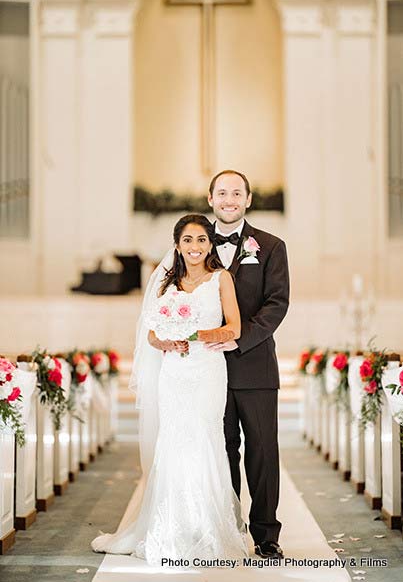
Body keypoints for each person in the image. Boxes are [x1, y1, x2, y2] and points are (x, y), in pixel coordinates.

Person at [91, 214, 248, 564]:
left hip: (207, 370)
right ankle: (172, 526)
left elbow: (234, 327)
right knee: (174, 441)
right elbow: (150, 333)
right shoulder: (165, 284)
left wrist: (199, 335)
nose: (195, 247)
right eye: (188, 240)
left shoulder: (221, 279)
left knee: (206, 439)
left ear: (210, 244)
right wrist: (167, 342)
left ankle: (207, 528)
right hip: (174, 373)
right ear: (177, 245)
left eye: (202, 240)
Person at [206, 169, 290, 560]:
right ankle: (223, 525)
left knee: (262, 452)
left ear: (248, 199)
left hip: (254, 365)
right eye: (222, 193)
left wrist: (239, 338)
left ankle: (266, 534)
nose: (229, 200)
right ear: (210, 199)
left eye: (236, 193)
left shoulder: (271, 246)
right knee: (219, 452)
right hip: (206, 371)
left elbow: (277, 303)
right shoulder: (192, 244)